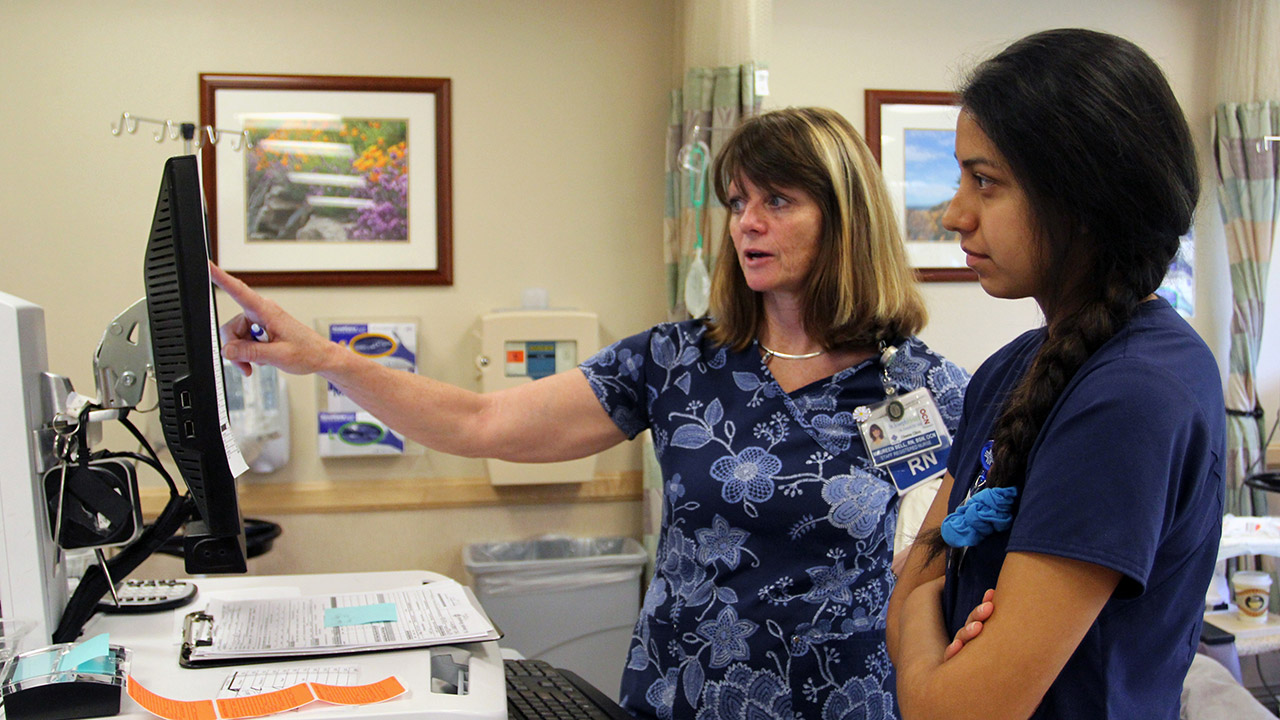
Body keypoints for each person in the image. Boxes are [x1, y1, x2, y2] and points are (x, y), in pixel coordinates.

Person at [213, 106, 969, 720]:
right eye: (738, 202)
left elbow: (967, 550)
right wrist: (325, 359)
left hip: (842, 702)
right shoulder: (678, 362)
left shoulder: (922, 388)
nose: (745, 223)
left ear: (846, 217)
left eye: (776, 200)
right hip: (682, 699)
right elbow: (481, 424)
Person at [885, 29, 1223, 720]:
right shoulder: (1014, 368)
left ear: (1085, 198)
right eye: (959, 179)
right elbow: (906, 595)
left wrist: (927, 610)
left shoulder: (1132, 396)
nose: (955, 215)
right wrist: (926, 608)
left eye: (986, 181)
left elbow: (955, 709)